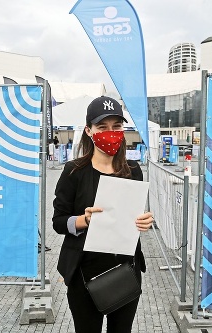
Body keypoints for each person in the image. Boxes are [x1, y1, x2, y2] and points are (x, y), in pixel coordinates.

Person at [52, 96, 154, 333]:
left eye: (116, 127)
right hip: (84, 274)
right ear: (89, 130)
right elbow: (58, 221)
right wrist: (84, 220)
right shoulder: (74, 171)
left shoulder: (134, 171)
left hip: (125, 271)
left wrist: (144, 221)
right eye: (102, 127)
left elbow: (132, 218)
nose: (111, 132)